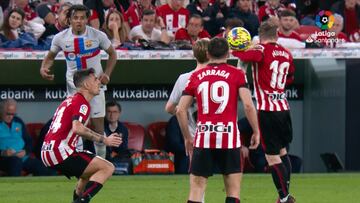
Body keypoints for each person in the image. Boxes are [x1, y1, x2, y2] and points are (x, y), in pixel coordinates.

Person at [176, 37, 260, 203]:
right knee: (233, 191)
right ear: (228, 53)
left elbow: (180, 110)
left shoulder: (197, 75)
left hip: (204, 137)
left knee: (197, 189)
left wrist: (187, 137)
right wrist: (256, 131)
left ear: (207, 54)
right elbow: (249, 106)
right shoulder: (238, 74)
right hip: (229, 138)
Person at [39, 4, 118, 159]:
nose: (79, 21)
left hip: (96, 88)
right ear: (69, 20)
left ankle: (101, 162)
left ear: (87, 19)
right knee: (76, 128)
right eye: (75, 18)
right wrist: (44, 68)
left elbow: (112, 54)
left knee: (98, 128)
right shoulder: (60, 38)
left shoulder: (97, 35)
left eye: (82, 18)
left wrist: (107, 74)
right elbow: (50, 57)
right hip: (74, 89)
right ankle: (79, 166)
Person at [232, 20, 296, 203]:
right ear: (277, 33)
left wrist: (237, 46)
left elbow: (243, 55)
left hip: (268, 110)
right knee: (283, 152)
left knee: (272, 157)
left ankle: (284, 198)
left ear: (260, 35)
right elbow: (291, 75)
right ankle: (284, 194)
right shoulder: (286, 53)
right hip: (284, 109)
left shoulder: (260, 49)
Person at [41, 68, 122, 203]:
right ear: (86, 85)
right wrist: (104, 139)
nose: (99, 82)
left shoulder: (69, 101)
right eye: (95, 79)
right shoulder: (81, 102)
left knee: (87, 174)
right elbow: (77, 128)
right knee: (108, 167)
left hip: (48, 151)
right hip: (60, 151)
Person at [165, 38, 210, 175]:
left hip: (194, 135)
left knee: (197, 177)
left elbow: (170, 108)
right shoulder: (219, 76)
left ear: (194, 55)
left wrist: (186, 112)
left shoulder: (184, 78)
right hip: (219, 133)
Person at [0, 99, 54, 176]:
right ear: (1, 111)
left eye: (13, 114)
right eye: (8, 114)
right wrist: (3, 152)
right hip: (4, 158)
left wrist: (25, 151)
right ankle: (14, 186)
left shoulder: (18, 121)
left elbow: (29, 141)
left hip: (23, 157)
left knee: (45, 168)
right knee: (15, 162)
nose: (11, 117)